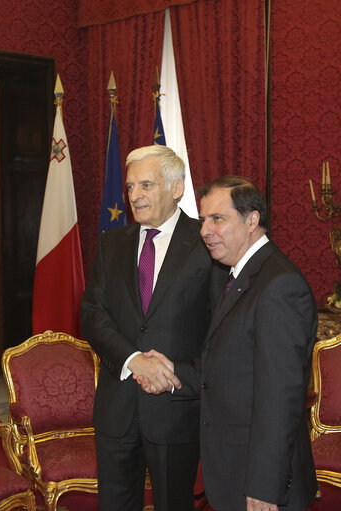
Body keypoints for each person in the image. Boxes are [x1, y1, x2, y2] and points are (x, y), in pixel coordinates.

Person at [139, 175, 318, 511]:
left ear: (252, 220)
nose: (205, 230)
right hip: (235, 469)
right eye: (203, 219)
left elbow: (280, 399)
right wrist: (172, 371)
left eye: (217, 219)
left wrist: (265, 486)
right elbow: (227, 369)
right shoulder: (241, 276)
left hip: (260, 483)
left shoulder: (279, 286)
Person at [80, 145, 225, 511]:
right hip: (118, 407)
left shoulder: (207, 243)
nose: (134, 196)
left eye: (146, 185)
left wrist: (185, 374)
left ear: (177, 189)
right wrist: (133, 360)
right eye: (130, 187)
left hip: (176, 406)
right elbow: (93, 315)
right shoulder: (111, 244)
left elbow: (220, 327)